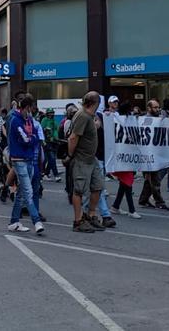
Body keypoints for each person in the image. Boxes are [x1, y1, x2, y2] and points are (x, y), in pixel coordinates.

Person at [6, 95, 45, 234]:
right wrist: (33, 138)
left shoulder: (28, 120)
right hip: (19, 159)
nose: (31, 112)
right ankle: (36, 221)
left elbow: (33, 136)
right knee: (28, 191)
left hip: (27, 159)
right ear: (27, 108)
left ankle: (14, 221)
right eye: (30, 109)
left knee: (22, 193)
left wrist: (32, 138)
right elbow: (26, 140)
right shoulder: (16, 121)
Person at [68, 92, 105, 233]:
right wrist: (71, 155)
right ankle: (78, 221)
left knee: (97, 186)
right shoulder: (82, 115)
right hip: (82, 159)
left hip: (91, 158)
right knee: (79, 190)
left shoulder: (89, 115)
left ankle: (91, 215)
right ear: (96, 103)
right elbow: (73, 137)